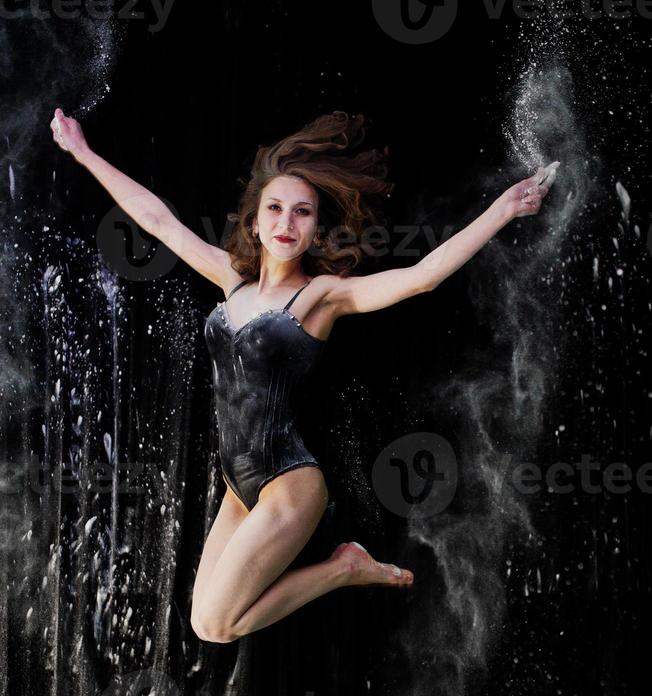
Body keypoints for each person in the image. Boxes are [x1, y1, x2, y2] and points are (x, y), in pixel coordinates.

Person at [49, 107, 558, 644]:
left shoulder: (321, 296)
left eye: (302, 213)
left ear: (316, 229)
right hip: (237, 488)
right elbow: (155, 220)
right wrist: (82, 152)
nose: (286, 223)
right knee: (207, 625)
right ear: (254, 221)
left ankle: (344, 570)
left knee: (219, 622)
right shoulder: (232, 280)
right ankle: (345, 568)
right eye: (275, 209)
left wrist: (505, 208)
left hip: (288, 485)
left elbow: (419, 279)